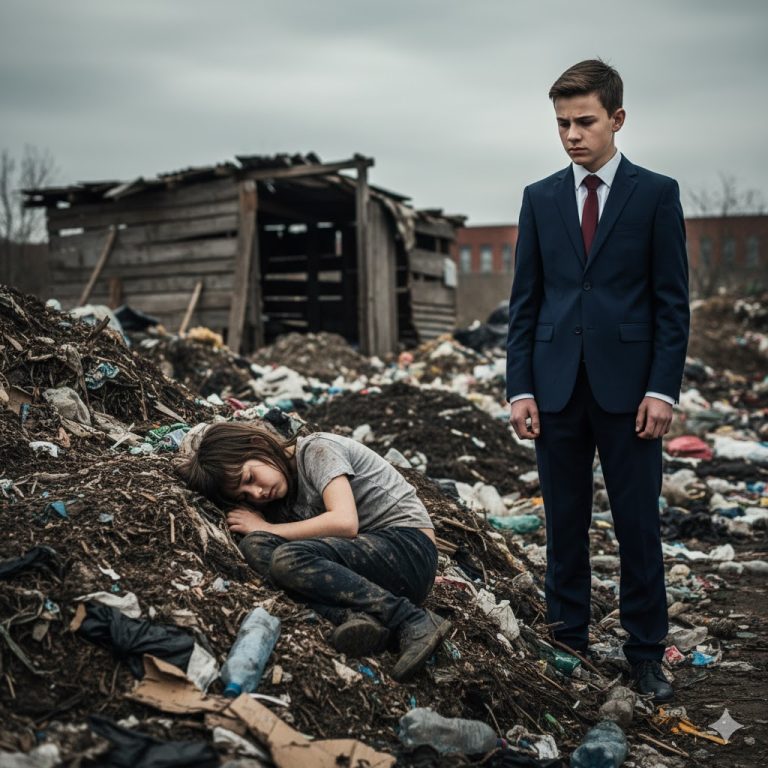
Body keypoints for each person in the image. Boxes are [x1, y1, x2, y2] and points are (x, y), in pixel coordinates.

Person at [505, 59, 689, 702]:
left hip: (632, 392)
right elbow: (525, 302)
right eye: (561, 124)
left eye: (584, 122)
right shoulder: (539, 198)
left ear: (617, 119)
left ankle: (645, 652)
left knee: (638, 524)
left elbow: (672, 302)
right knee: (564, 525)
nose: (572, 135)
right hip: (555, 389)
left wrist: (663, 389)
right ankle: (568, 644)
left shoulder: (656, 193)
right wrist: (519, 387)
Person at [177, 421, 451, 682]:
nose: (257, 492)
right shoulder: (284, 498)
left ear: (257, 444)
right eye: (245, 496)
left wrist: (265, 526)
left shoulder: (317, 450)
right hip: (370, 573)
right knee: (255, 545)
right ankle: (355, 618)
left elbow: (345, 523)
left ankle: (412, 619)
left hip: (409, 551)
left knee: (285, 555)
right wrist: (261, 531)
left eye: (250, 477)